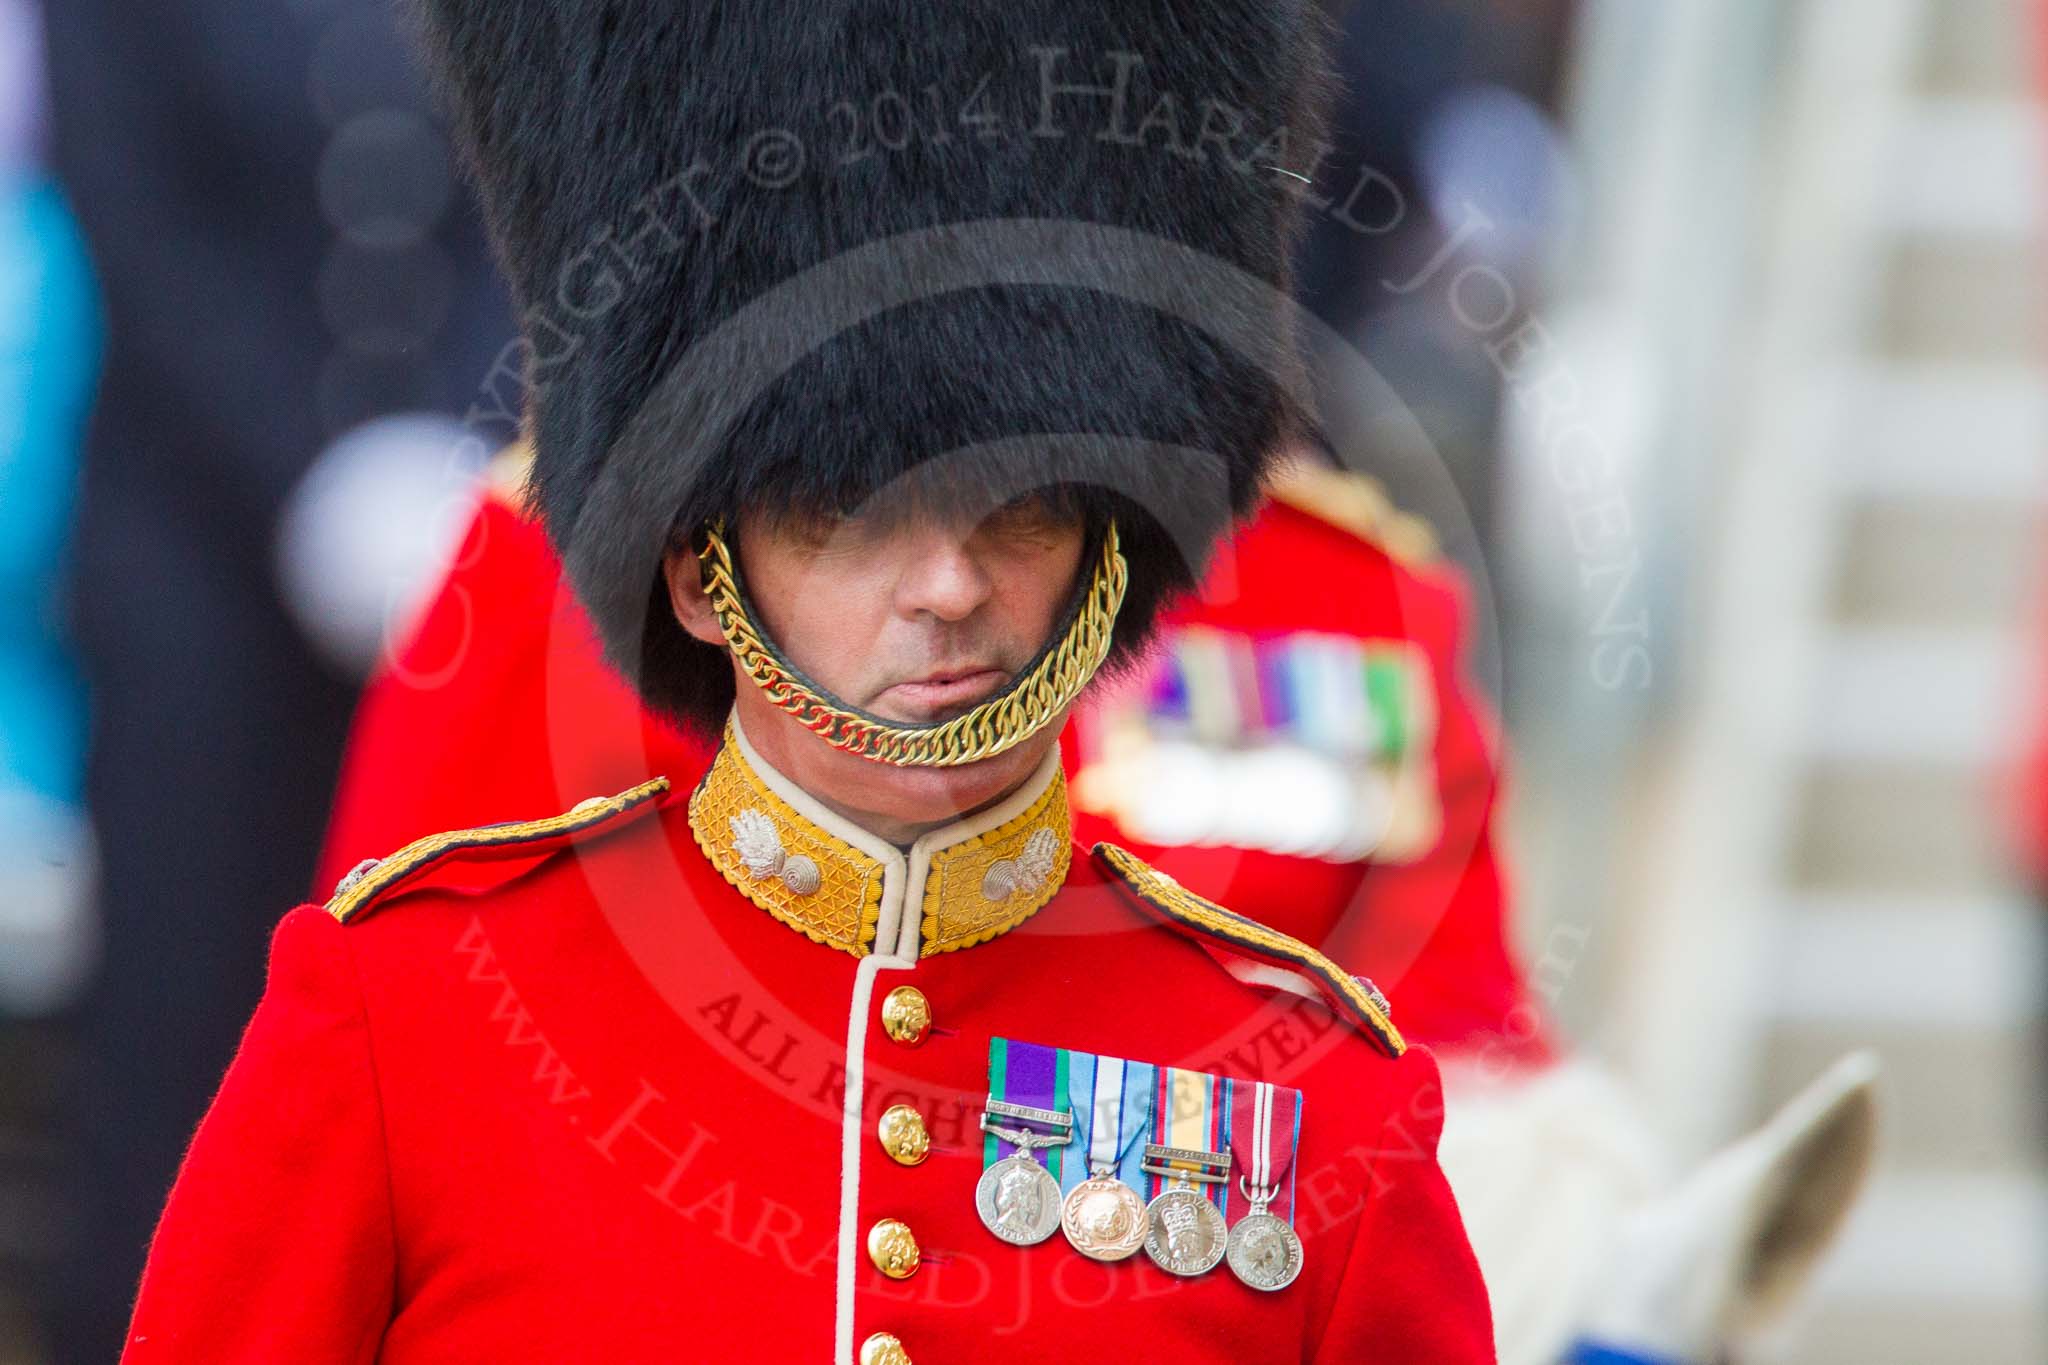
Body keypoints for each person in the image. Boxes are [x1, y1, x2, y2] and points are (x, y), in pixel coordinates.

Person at [122, 3, 1495, 1362]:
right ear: (699, 570)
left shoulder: (1322, 1109)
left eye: (1022, 504)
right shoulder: (406, 1022)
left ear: (1107, 534)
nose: (951, 586)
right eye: (849, 507)